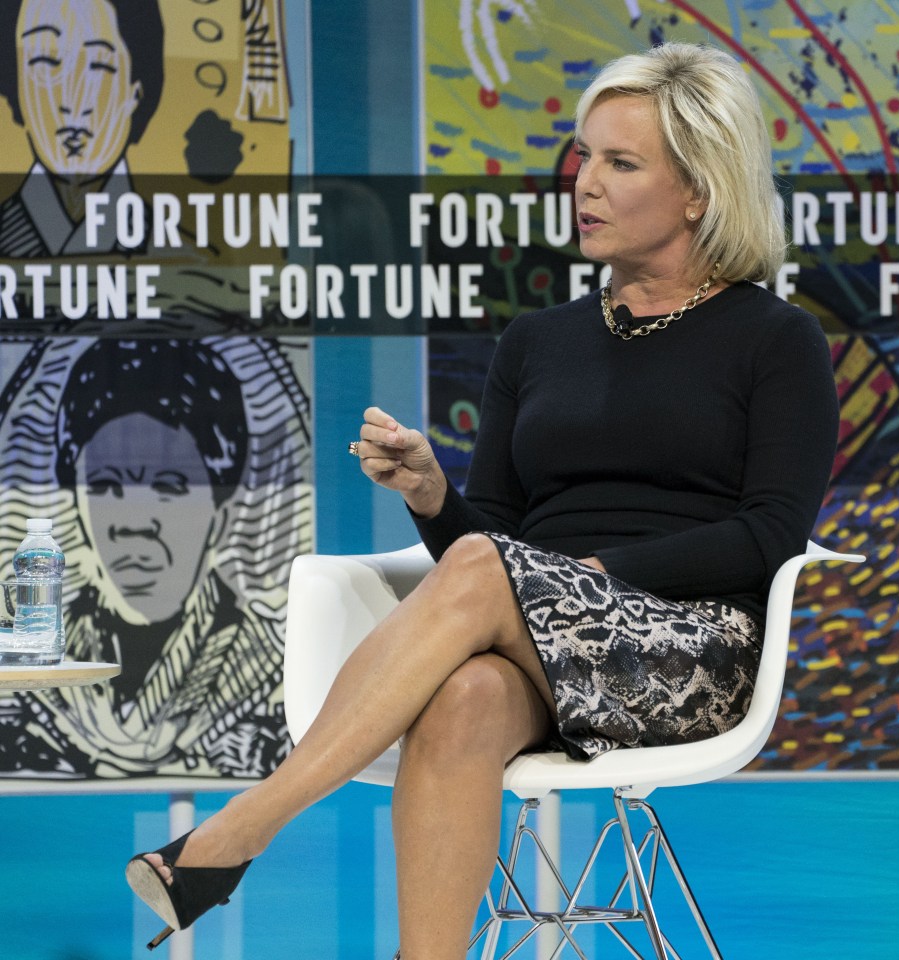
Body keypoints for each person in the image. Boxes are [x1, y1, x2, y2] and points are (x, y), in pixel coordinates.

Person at [126, 42, 839, 957]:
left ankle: (237, 833)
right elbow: (495, 541)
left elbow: (772, 532)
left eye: (622, 163)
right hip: (540, 628)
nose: (585, 183)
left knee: (482, 574)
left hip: (688, 646)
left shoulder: (776, 341)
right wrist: (433, 496)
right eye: (584, 156)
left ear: (698, 189)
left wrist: (589, 574)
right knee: (462, 696)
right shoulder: (540, 341)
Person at [0, 337, 308, 777]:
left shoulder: (271, 674)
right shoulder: (35, 680)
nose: (132, 523)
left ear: (221, 514)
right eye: (106, 486)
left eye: (168, 486)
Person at [0, 0, 164, 256]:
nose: (72, 101)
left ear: (136, 91)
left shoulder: (193, 265)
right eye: (44, 62)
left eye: (99, 66)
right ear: (16, 83)